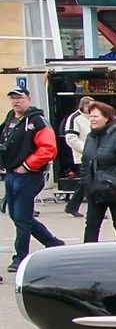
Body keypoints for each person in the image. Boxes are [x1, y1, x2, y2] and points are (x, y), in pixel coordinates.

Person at [2, 84, 63, 272]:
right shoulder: (10, 118)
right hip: (11, 174)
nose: (15, 101)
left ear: (28, 99)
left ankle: (20, 257)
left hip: (28, 175)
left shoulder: (37, 121)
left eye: (19, 97)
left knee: (21, 217)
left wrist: (27, 166)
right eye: (12, 97)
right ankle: (51, 242)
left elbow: (48, 149)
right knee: (19, 216)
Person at [78, 101, 116, 243]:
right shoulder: (91, 137)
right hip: (95, 189)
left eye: (96, 116)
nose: (92, 119)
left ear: (106, 118)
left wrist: (112, 178)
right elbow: (86, 160)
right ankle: (88, 254)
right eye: (90, 116)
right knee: (91, 224)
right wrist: (86, 180)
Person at [60, 96, 93, 215]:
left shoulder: (91, 117)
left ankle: (72, 206)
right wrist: (87, 150)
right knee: (88, 182)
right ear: (84, 107)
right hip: (82, 156)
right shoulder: (75, 118)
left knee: (85, 182)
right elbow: (71, 138)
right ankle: (92, 210)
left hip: (92, 155)